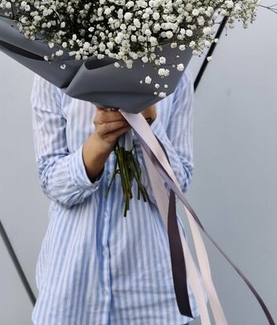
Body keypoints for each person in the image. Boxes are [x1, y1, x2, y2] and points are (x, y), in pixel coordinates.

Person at [31, 68, 196, 325]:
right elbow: (51, 180)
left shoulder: (174, 73)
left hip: (154, 291)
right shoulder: (52, 71)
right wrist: (99, 143)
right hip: (74, 286)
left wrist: (148, 124)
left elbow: (177, 187)